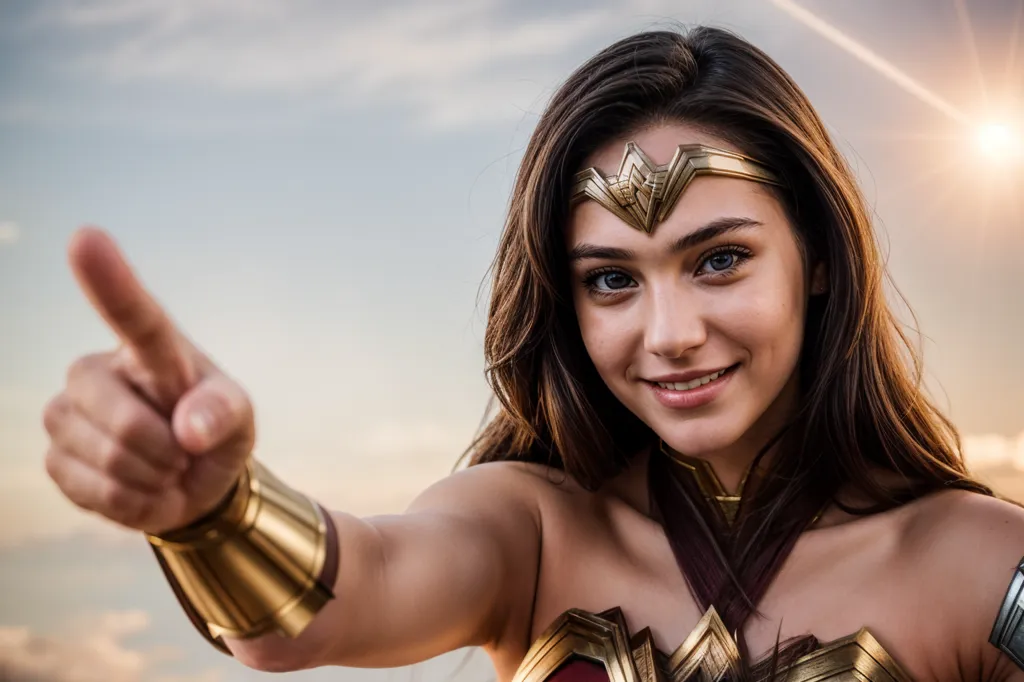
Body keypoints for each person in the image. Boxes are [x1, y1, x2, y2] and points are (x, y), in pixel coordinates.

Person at [40, 25, 1024, 682]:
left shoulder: (984, 564)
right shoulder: (528, 533)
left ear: (814, 255)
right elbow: (339, 599)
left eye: (718, 260)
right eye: (610, 279)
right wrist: (215, 508)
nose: (668, 331)